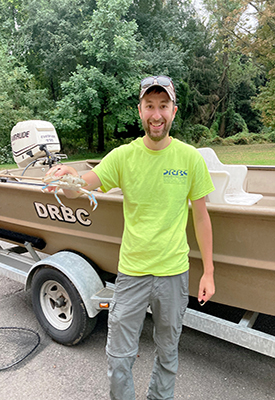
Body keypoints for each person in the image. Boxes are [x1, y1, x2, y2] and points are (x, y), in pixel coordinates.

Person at [47, 75, 215, 400]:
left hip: (173, 274)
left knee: (168, 353)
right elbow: (86, 184)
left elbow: (202, 216)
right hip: (132, 274)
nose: (156, 114)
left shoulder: (190, 158)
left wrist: (208, 271)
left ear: (174, 111)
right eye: (149, 106)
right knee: (119, 355)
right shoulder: (124, 156)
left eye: (163, 106)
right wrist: (68, 180)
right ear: (139, 111)